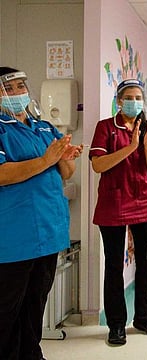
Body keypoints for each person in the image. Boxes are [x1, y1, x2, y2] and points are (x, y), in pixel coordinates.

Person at [0, 67, 83, 360]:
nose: (19, 92)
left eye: (22, 85)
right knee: (7, 309)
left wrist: (64, 159)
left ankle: (32, 354)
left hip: (48, 233)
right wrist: (46, 158)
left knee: (36, 303)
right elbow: (2, 173)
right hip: (13, 239)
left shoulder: (44, 126)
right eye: (10, 88)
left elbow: (66, 173)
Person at [89, 79, 147, 346]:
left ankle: (143, 317)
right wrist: (130, 147)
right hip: (114, 203)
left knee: (146, 263)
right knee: (114, 265)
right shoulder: (105, 127)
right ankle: (116, 324)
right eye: (129, 97)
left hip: (144, 202)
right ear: (119, 101)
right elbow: (98, 165)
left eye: (138, 97)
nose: (134, 102)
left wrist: (146, 144)